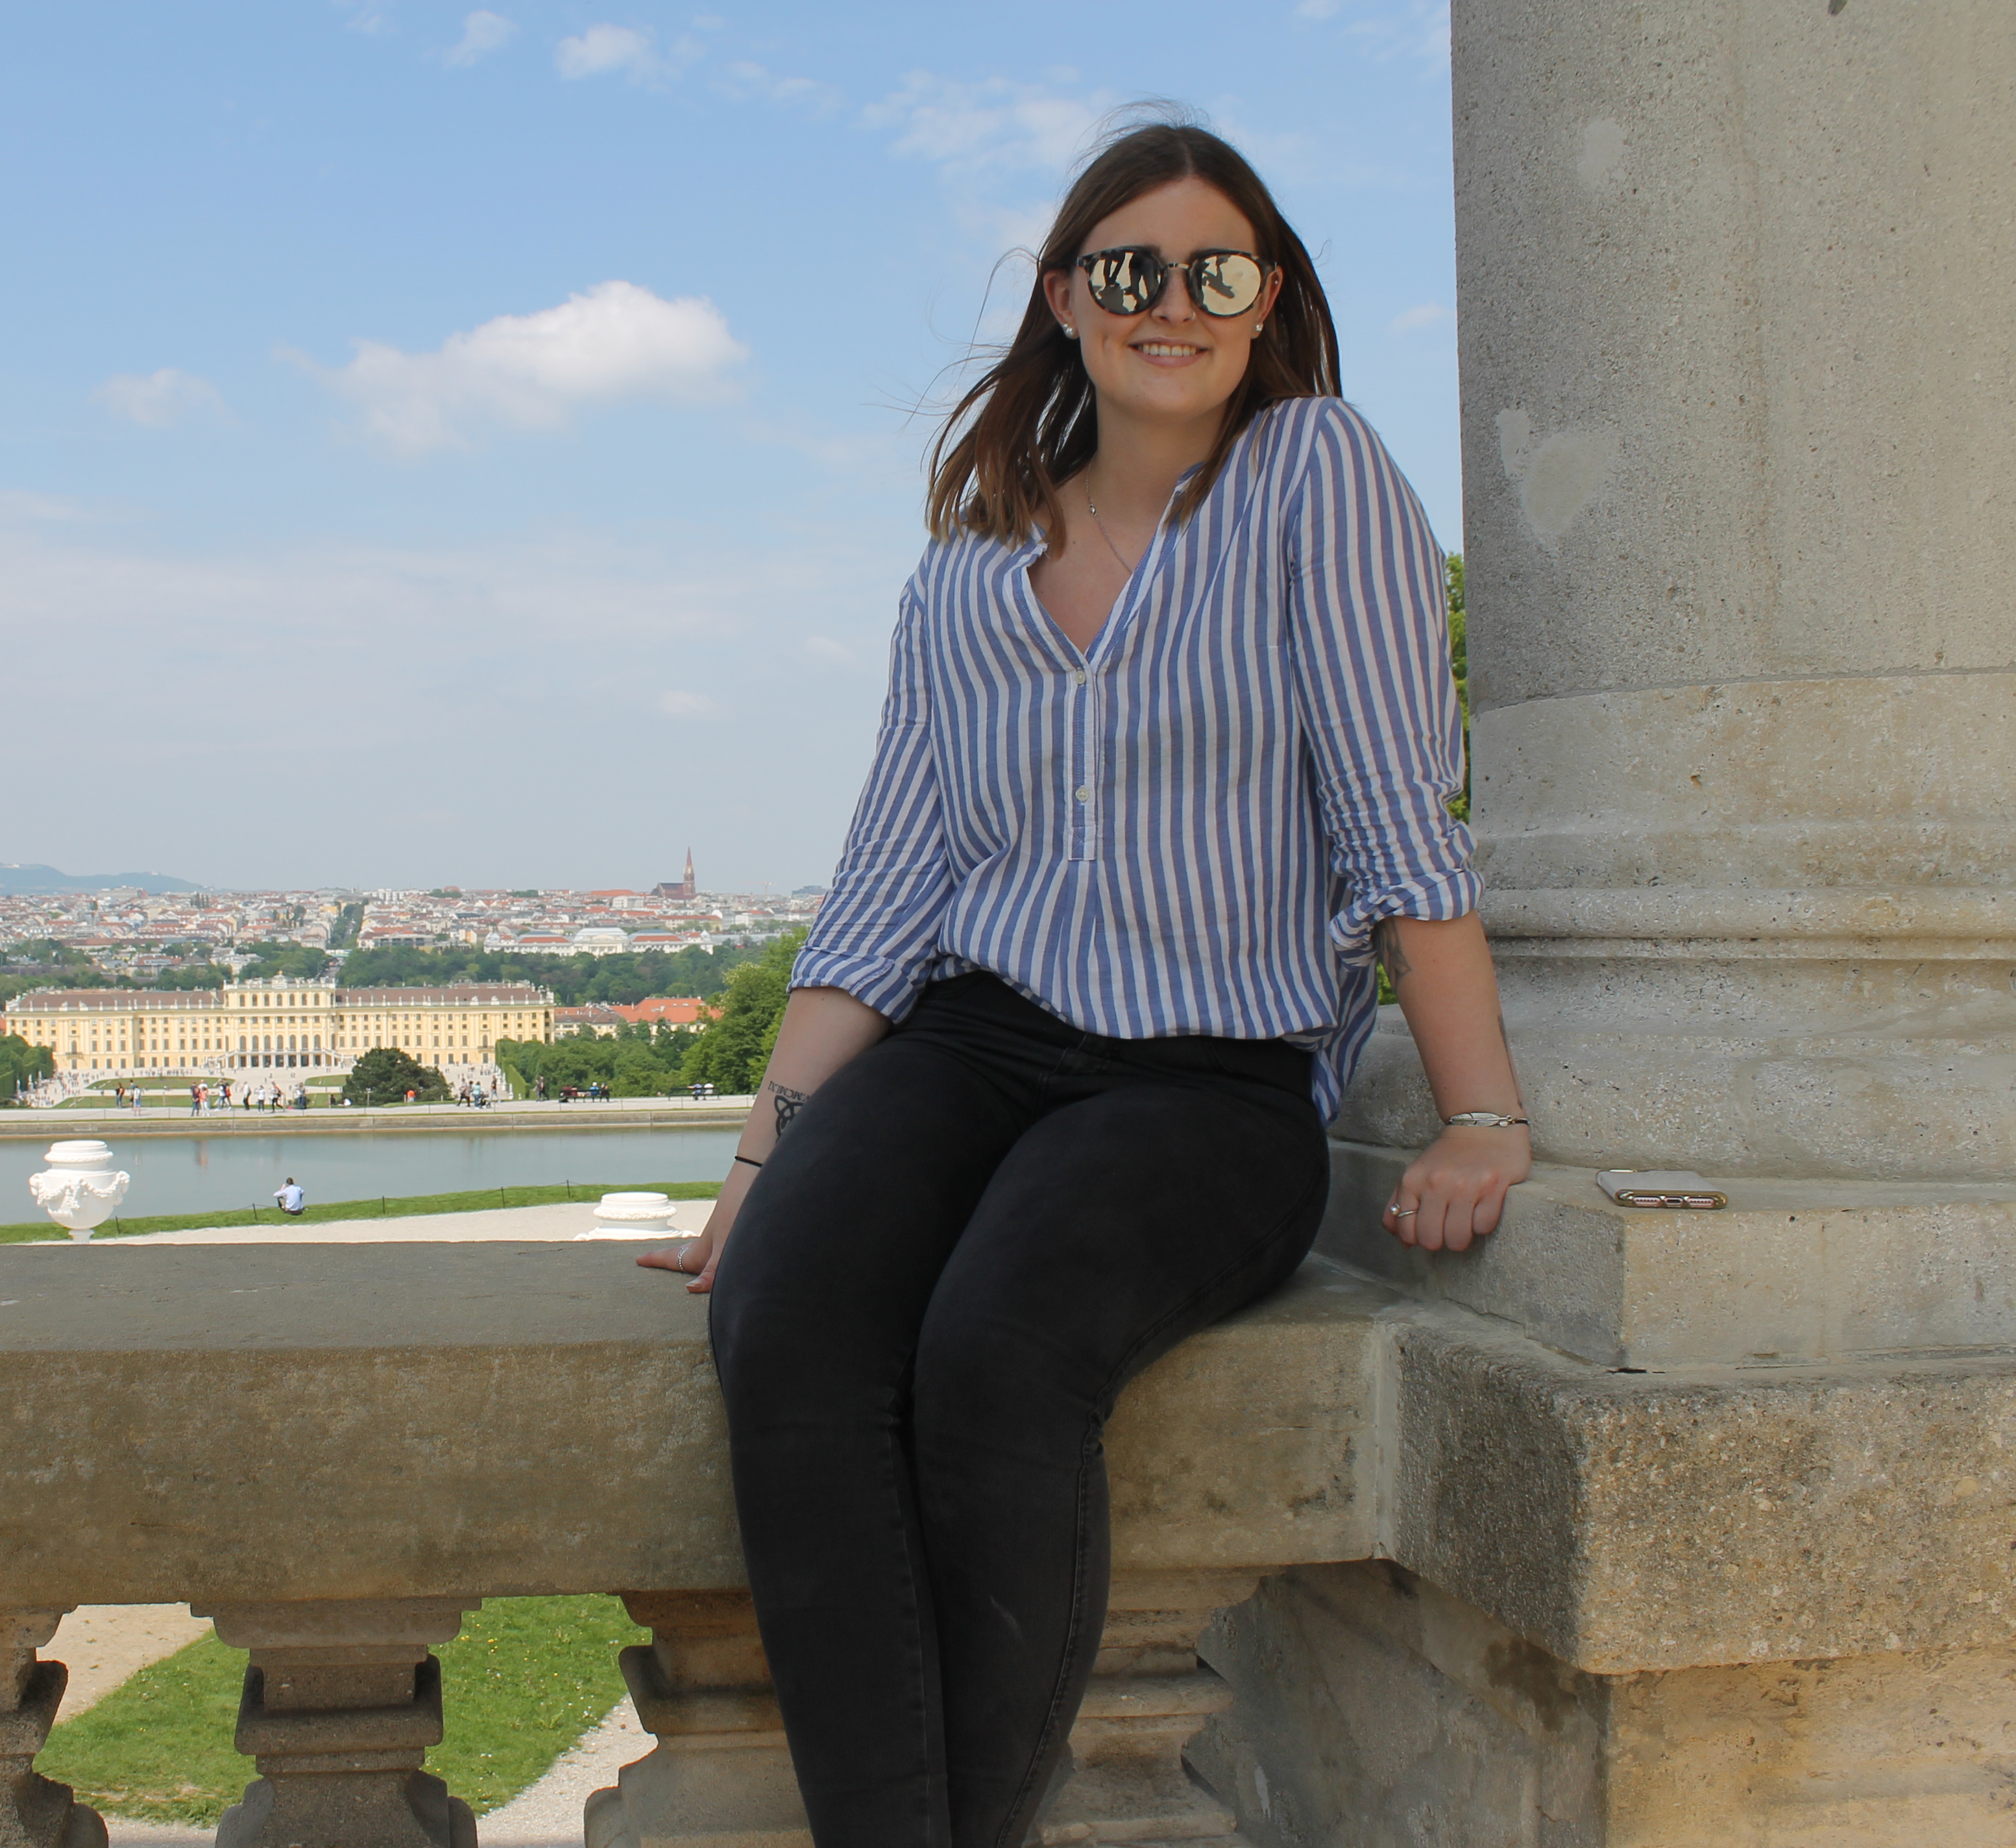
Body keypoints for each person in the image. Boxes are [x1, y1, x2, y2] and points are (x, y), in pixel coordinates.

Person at [637, 121, 1528, 1848]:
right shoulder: (964, 577)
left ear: (1268, 301)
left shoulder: (1312, 474)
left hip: (1212, 1078)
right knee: (786, 1319)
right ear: (1065, 296)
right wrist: (762, 1161)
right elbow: (886, 897)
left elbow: (1398, 816)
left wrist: (1479, 1112)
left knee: (999, 1352)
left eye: (1217, 271)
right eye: (1131, 269)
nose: (1171, 303)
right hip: (975, 1042)